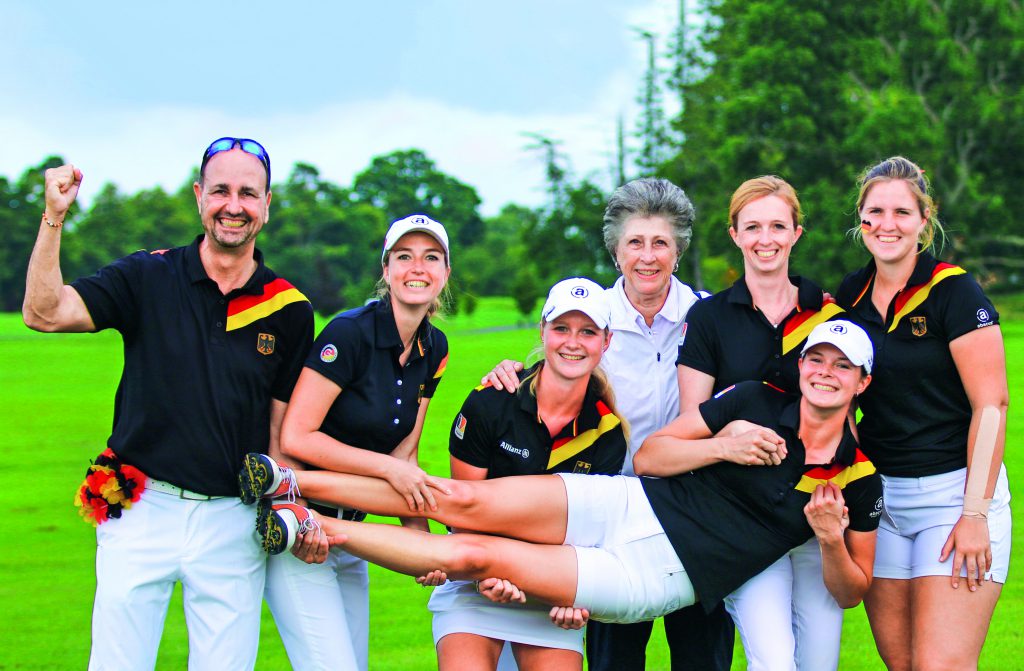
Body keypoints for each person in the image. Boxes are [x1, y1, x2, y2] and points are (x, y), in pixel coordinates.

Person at [239, 321, 882, 641]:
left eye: (841, 365)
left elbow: (852, 591)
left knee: (474, 553)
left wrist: (828, 539)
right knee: (462, 499)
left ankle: (312, 526)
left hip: (662, 574)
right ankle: (287, 479)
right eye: (815, 358)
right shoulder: (752, 401)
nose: (823, 371)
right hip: (633, 504)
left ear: (862, 383)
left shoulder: (858, 478)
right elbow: (654, 456)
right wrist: (723, 445)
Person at [22, 137, 314, 670]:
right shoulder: (148, 275)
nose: (234, 205)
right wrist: (53, 217)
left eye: (248, 193)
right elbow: (44, 313)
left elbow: (280, 435)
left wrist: (288, 505)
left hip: (234, 515)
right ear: (199, 196)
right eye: (221, 190)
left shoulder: (290, 308)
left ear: (267, 205)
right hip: (137, 505)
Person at [485, 177, 724, 671]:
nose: (648, 256)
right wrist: (509, 372)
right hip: (609, 517)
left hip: (698, 516)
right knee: (614, 661)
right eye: (635, 242)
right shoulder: (593, 321)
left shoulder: (709, 317)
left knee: (703, 657)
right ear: (616, 252)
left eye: (661, 242)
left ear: (678, 251)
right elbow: (551, 370)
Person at [836, 156, 1011, 671]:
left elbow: (992, 405)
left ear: (923, 219)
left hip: (953, 497)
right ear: (860, 219)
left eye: (900, 212)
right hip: (883, 504)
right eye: (874, 212)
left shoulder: (955, 292)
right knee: (903, 665)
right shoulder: (852, 295)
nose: (886, 225)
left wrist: (974, 513)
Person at [258, 214, 451, 671]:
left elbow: (405, 452)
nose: (417, 268)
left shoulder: (435, 348)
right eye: (404, 257)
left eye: (431, 258)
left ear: (445, 274)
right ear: (386, 270)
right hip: (303, 529)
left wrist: (421, 546)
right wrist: (385, 469)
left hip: (353, 535)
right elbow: (297, 435)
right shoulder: (350, 333)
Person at [672, 176, 849, 670]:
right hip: (743, 519)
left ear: (796, 232)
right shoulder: (709, 317)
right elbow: (691, 423)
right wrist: (728, 437)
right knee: (772, 663)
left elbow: (849, 414)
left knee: (818, 664)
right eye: (752, 226)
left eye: (777, 225)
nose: (765, 238)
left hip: (815, 516)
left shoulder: (828, 314)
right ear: (734, 234)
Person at [424, 277, 627, 671]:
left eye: (588, 332)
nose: (573, 342)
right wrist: (488, 575)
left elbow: (587, 541)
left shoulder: (607, 433)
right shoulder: (491, 402)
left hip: (550, 596)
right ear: (543, 331)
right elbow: (463, 513)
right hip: (476, 582)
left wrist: (577, 597)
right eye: (562, 328)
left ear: (606, 342)